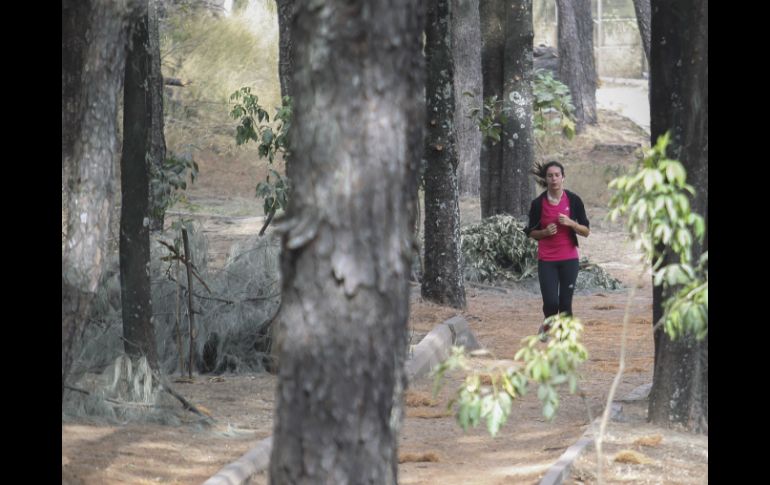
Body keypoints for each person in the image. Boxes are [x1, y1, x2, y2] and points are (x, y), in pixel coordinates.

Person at [524, 161, 590, 341]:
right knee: (552, 303)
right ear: (545, 179)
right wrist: (544, 232)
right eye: (550, 175)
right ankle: (548, 324)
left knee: (565, 303)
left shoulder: (574, 200)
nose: (554, 179)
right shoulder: (538, 203)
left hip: (569, 258)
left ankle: (566, 339)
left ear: (563, 177)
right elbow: (530, 233)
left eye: (557, 175)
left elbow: (586, 231)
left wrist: (571, 223)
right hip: (547, 260)